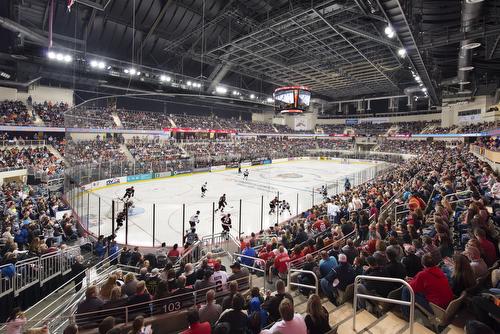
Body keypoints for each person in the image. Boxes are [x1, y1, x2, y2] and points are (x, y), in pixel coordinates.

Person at [401, 253, 453, 319]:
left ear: (423, 264)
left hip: (437, 308)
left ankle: (406, 315)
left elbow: (411, 287)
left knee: (406, 289)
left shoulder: (422, 274)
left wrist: (408, 281)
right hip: (447, 304)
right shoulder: (439, 271)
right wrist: (414, 279)